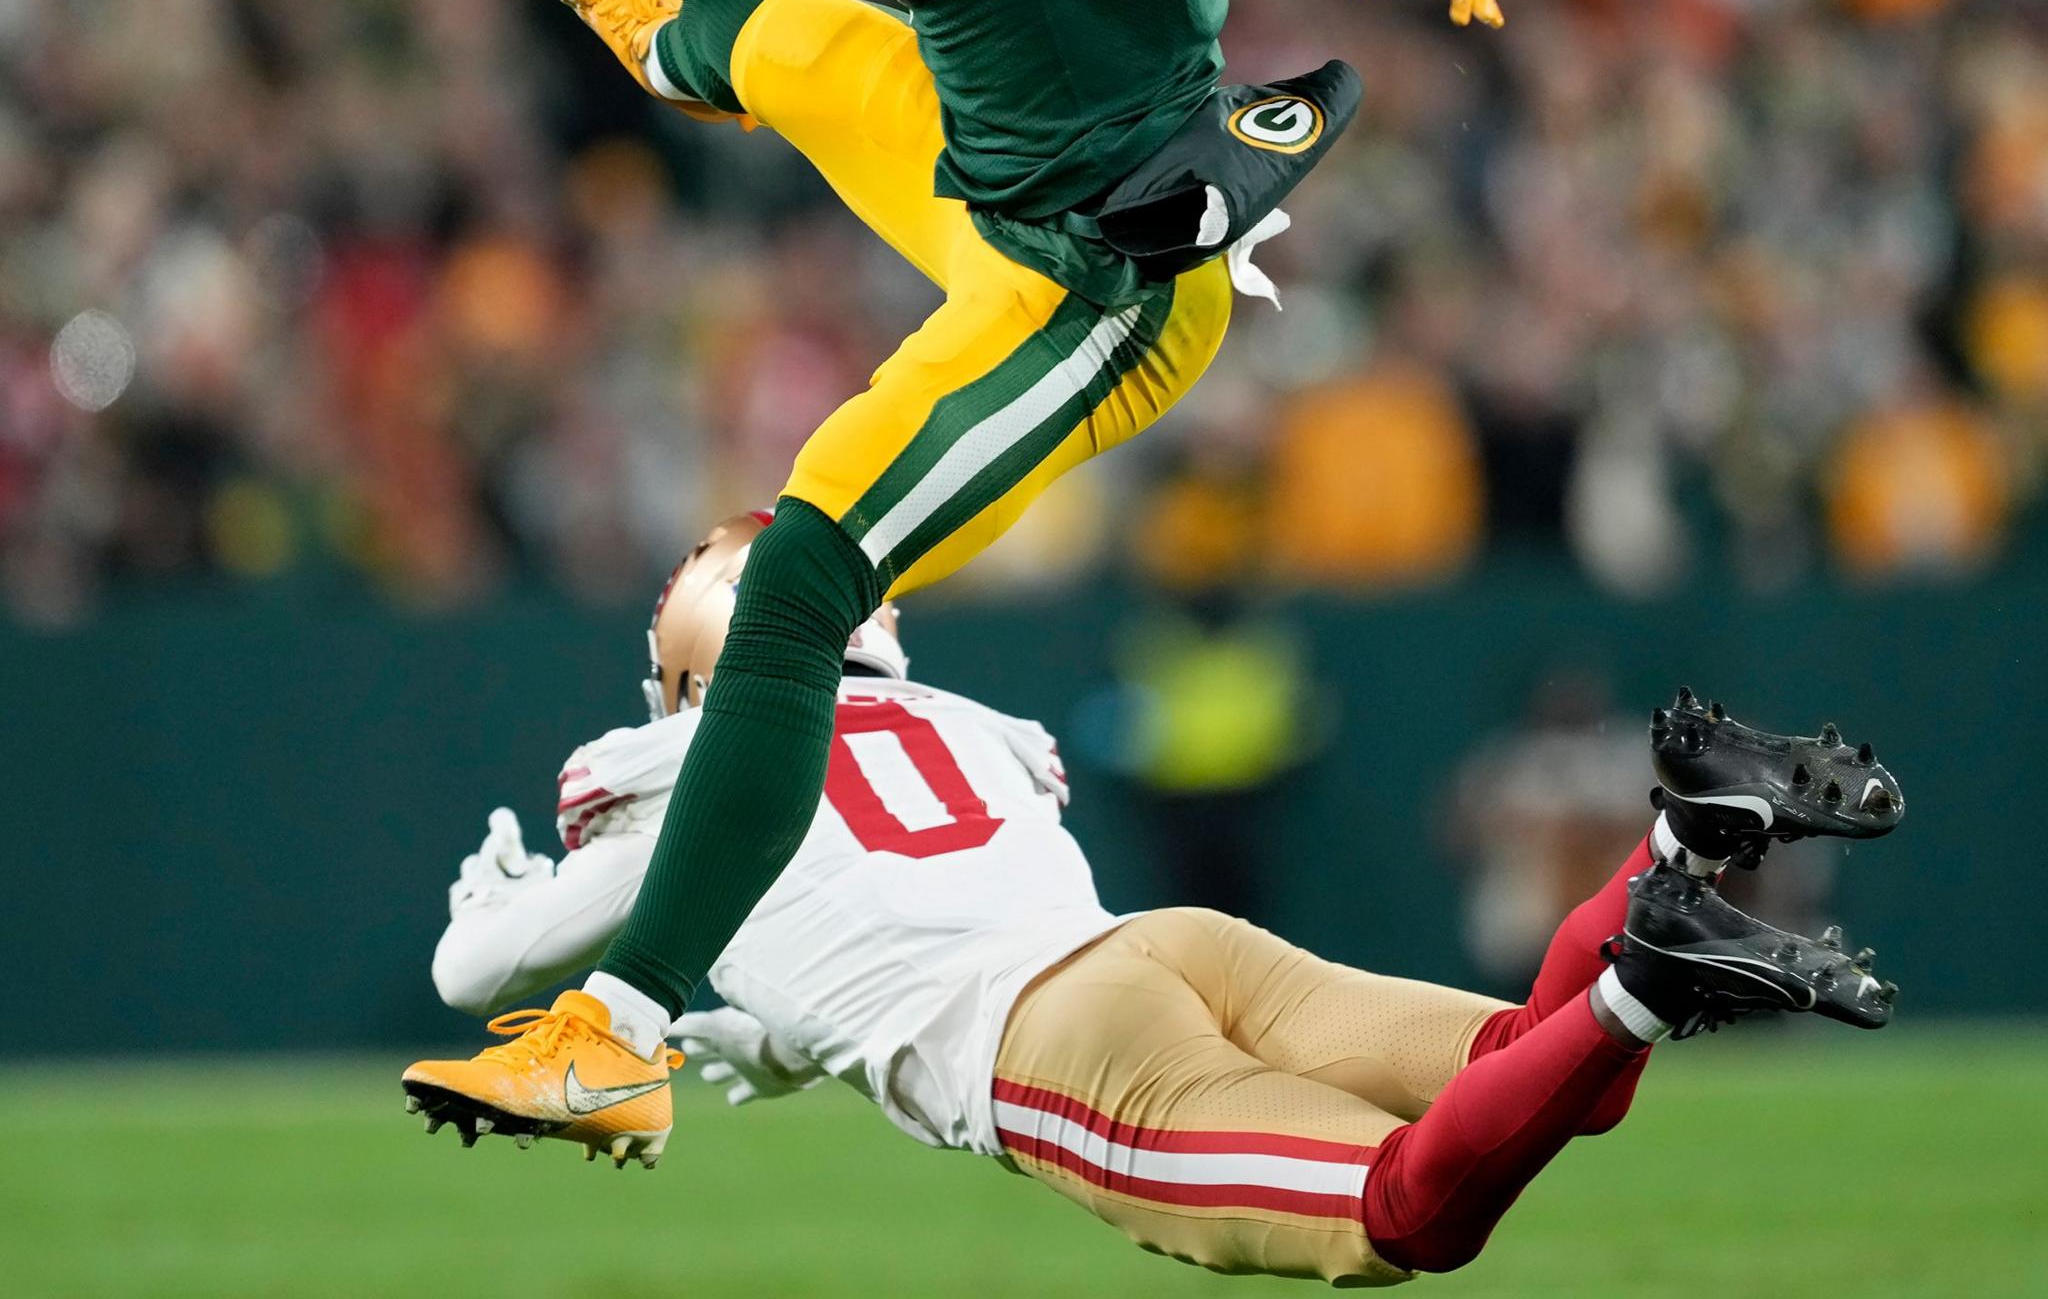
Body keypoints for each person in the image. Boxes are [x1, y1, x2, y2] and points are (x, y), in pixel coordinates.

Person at [413, 0, 1502, 1147]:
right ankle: (676, 35)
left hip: (1082, 260)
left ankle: (618, 1029)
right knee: (769, 34)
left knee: (800, 586)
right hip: (993, 137)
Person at [404, 514, 1900, 1284]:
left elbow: (484, 972)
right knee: (1548, 1076)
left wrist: (496, 902)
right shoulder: (964, 726)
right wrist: (780, 1042)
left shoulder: (683, 769)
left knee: (1405, 1218)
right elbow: (872, 908)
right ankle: (1678, 854)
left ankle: (1653, 965)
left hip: (1063, 1046)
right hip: (1163, 950)